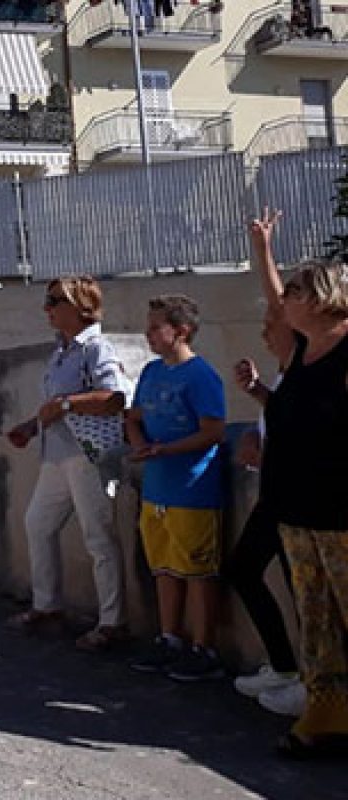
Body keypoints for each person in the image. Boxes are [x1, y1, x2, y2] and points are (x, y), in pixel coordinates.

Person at [254, 246, 348, 757]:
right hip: (296, 512)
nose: (282, 302)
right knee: (315, 619)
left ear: (318, 298)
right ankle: (325, 713)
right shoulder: (299, 353)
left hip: (340, 514)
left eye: (293, 292)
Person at [5, 276, 131, 652]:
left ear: (80, 306)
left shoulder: (95, 348)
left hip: (87, 453)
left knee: (98, 536)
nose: (47, 308)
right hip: (57, 453)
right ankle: (47, 606)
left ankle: (112, 622)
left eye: (54, 301)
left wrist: (66, 405)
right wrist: (31, 426)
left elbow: (115, 397)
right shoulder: (61, 350)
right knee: (37, 523)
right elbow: (56, 404)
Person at [124, 295, 228, 681]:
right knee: (165, 569)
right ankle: (170, 638)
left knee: (198, 572)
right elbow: (133, 417)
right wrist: (139, 445)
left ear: (180, 331)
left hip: (192, 490)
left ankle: (204, 646)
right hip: (157, 489)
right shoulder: (151, 372)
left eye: (156, 327)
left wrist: (167, 449)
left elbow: (213, 431)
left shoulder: (201, 376)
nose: (148, 334)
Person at [226, 208, 305, 716]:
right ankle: (286, 668)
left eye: (271, 325)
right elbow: (285, 420)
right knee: (244, 570)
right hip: (277, 494)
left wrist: (264, 250)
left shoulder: (307, 359)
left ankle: (312, 684)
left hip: (304, 498)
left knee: (307, 593)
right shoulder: (285, 378)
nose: (264, 331)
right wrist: (257, 395)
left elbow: (278, 304)